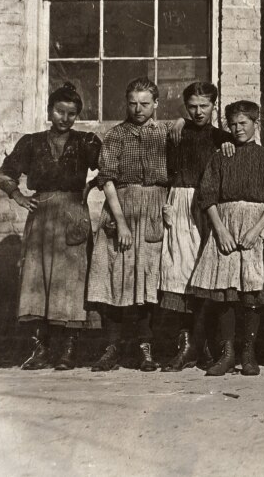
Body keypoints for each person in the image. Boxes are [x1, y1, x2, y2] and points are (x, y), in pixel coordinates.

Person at [0, 83, 101, 370]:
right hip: (41, 217)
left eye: (71, 113)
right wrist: (18, 195)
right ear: (49, 111)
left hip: (73, 215)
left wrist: (89, 187)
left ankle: (68, 350)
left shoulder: (86, 141)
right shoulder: (30, 142)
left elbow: (109, 168)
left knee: (71, 281)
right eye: (59, 111)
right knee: (37, 280)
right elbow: (5, 175)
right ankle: (39, 349)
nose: (65, 118)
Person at [191, 101, 264, 377]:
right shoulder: (221, 157)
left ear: (256, 124)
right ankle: (227, 353)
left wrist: (257, 229)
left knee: (250, 292)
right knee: (226, 292)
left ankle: (248, 352)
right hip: (226, 225)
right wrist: (220, 229)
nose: (237, 129)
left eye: (243, 123)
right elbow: (207, 195)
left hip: (254, 226)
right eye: (233, 124)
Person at [87, 77, 170, 372]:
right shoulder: (116, 135)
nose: (138, 109)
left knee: (147, 281)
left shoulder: (166, 134)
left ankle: (145, 347)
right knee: (114, 279)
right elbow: (107, 179)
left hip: (154, 211)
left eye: (145, 103)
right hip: (120, 209)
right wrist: (120, 224)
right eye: (133, 103)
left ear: (156, 104)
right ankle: (111, 348)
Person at [159, 82, 233, 372]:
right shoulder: (177, 133)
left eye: (204, 106)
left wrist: (229, 144)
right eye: (192, 106)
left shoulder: (223, 138)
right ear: (185, 107)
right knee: (181, 273)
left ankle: (206, 346)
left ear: (214, 105)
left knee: (209, 275)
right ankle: (187, 345)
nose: (198, 111)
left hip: (211, 208)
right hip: (181, 203)